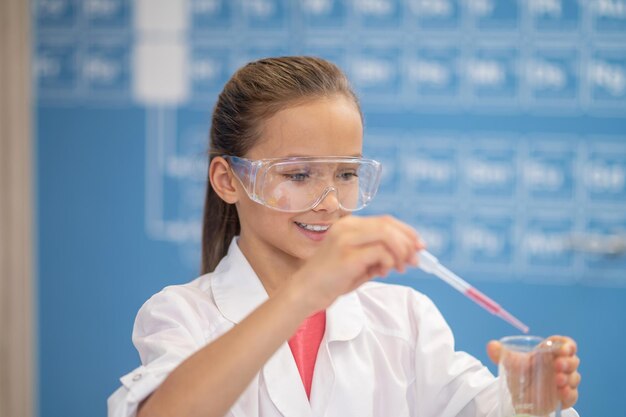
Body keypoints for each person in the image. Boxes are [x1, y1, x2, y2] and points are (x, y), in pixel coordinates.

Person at [108, 56, 580, 417]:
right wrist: (302, 293)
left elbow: (480, 408)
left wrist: (527, 400)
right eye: (297, 175)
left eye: (348, 173)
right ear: (228, 180)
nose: (330, 202)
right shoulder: (180, 314)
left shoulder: (404, 322)